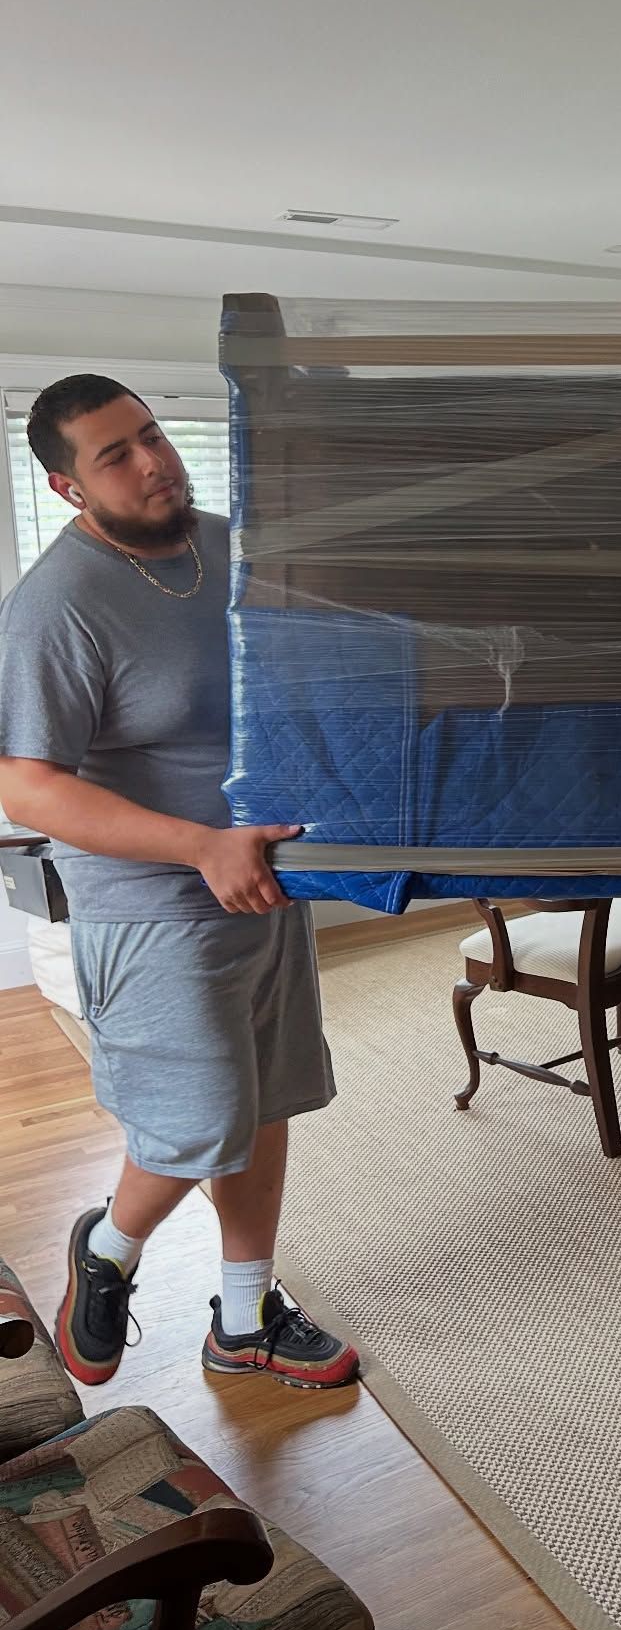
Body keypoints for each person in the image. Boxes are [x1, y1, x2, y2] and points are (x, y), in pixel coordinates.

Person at [0, 375, 358, 1391]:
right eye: (115, 454)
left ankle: (244, 1318)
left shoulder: (229, 542)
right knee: (196, 1118)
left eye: (151, 435)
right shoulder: (56, 607)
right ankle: (107, 1249)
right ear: (71, 488)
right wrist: (200, 845)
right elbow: (25, 785)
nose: (152, 460)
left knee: (267, 1099)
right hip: (153, 907)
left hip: (265, 883)